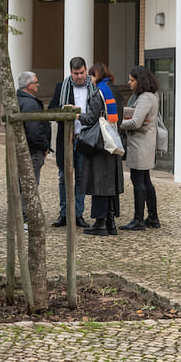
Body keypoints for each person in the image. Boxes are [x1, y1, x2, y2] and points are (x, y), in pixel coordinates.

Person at [82, 62, 125, 237]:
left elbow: (92, 118)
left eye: (91, 76)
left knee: (99, 182)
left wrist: (78, 116)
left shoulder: (97, 93)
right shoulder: (115, 91)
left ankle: (100, 222)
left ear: (96, 75)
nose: (90, 80)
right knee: (110, 184)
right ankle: (110, 221)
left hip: (100, 143)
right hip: (113, 140)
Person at [47, 57, 91, 228]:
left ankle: (78, 214)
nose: (79, 76)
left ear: (86, 70)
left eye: (82, 73)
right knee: (63, 176)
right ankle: (64, 213)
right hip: (66, 138)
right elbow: (51, 109)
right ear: (70, 73)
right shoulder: (61, 87)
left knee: (81, 177)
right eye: (76, 73)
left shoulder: (92, 88)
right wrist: (65, 110)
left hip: (85, 138)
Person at [119, 65, 161, 231]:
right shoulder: (152, 96)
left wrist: (119, 124)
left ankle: (139, 219)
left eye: (132, 80)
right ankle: (152, 217)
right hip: (145, 143)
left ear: (140, 81)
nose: (129, 83)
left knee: (138, 181)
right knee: (145, 180)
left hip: (140, 145)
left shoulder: (144, 98)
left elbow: (136, 122)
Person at [16, 71, 51, 221]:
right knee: (30, 184)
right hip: (32, 150)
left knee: (23, 183)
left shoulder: (19, 100)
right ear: (29, 85)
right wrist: (44, 146)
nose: (38, 85)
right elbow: (34, 131)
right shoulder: (30, 103)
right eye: (36, 82)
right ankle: (26, 216)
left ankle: (22, 214)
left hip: (25, 149)